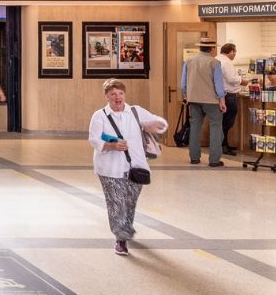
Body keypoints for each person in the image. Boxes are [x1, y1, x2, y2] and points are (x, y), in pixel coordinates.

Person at [88, 78, 168, 255]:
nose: (117, 97)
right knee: (116, 202)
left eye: (120, 94)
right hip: (109, 168)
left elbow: (160, 122)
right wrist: (111, 145)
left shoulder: (135, 112)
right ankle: (120, 238)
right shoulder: (100, 116)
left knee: (130, 202)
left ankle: (125, 228)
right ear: (107, 97)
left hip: (136, 166)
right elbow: (94, 139)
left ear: (125, 95)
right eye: (113, 94)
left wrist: (157, 125)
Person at [182, 40, 228, 167]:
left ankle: (194, 158)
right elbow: (219, 84)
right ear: (212, 49)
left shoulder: (189, 61)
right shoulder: (214, 62)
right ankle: (214, 160)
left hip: (194, 99)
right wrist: (222, 100)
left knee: (195, 127)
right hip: (211, 100)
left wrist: (186, 95)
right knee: (216, 128)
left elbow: (183, 82)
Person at [217, 43, 243, 156]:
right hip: (229, 96)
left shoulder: (216, 59)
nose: (235, 54)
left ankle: (223, 143)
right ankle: (223, 145)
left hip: (220, 95)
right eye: (235, 52)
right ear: (231, 51)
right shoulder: (226, 62)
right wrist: (243, 81)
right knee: (227, 122)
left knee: (222, 122)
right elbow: (232, 79)